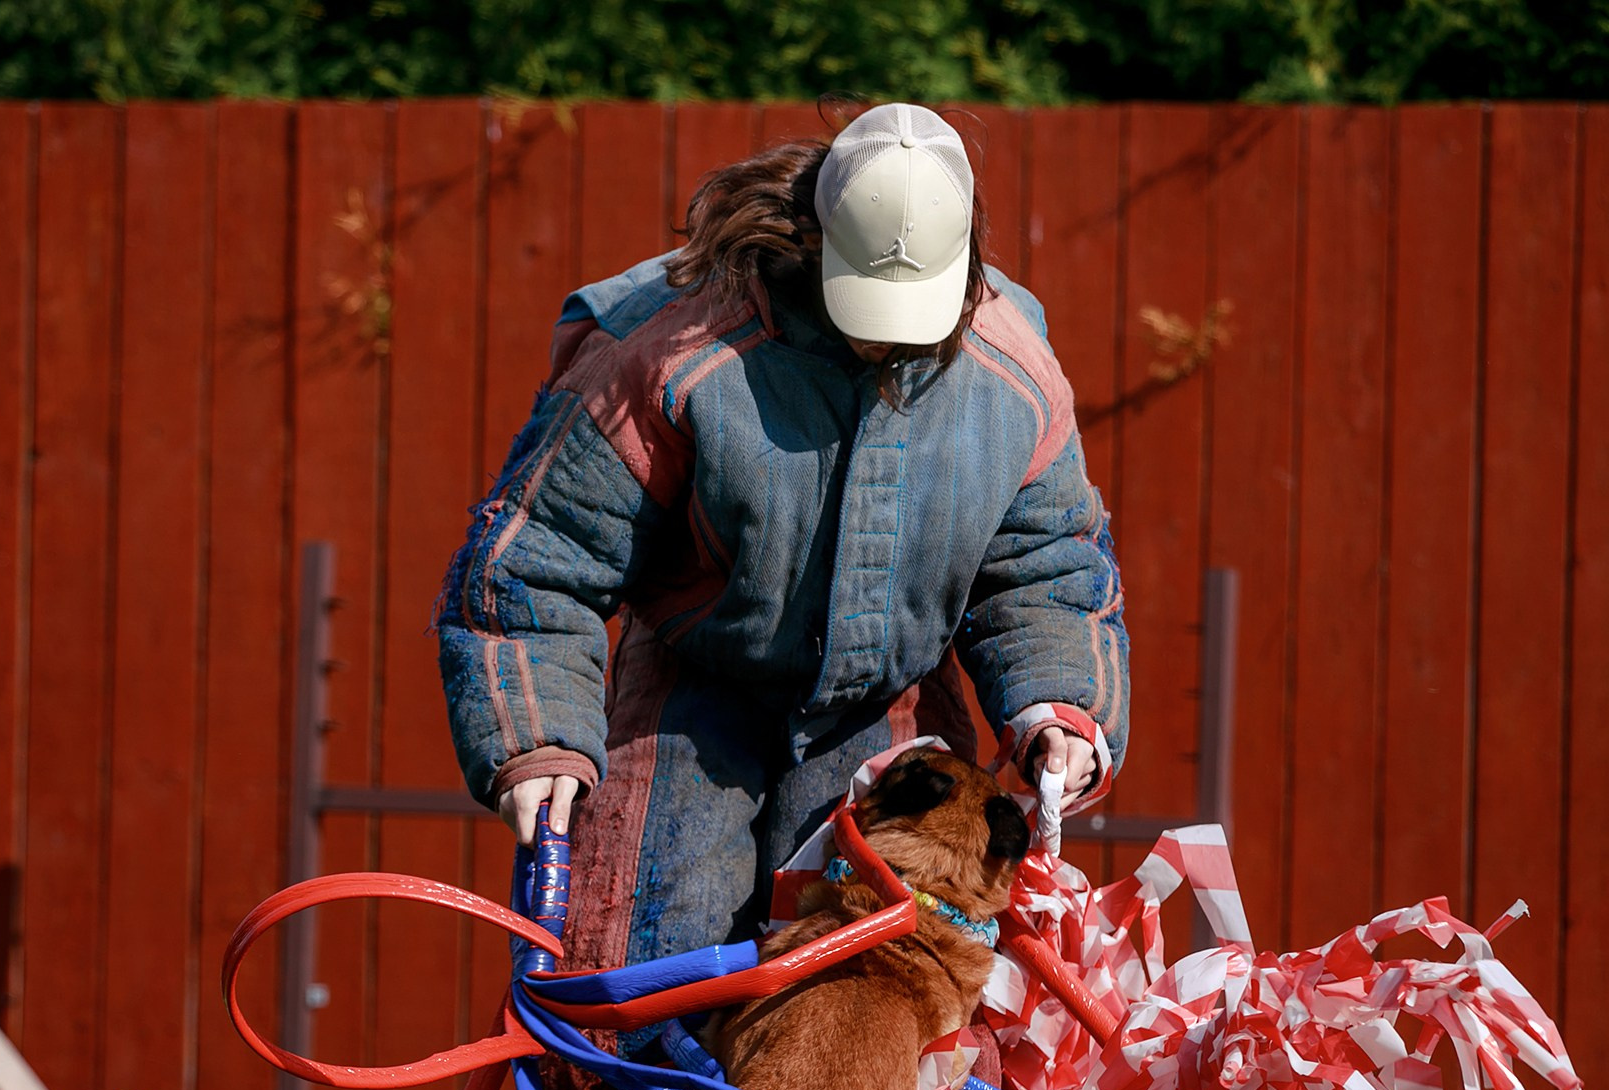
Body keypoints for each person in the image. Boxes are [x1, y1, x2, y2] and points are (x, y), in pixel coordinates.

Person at [436, 101, 1129, 984]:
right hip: (693, 690)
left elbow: (1048, 567)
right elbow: (539, 557)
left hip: (891, 715)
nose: (885, 333)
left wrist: (1061, 707)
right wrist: (535, 735)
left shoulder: (1012, 373)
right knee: (640, 976)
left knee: (890, 993)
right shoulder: (670, 348)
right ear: (812, 237)